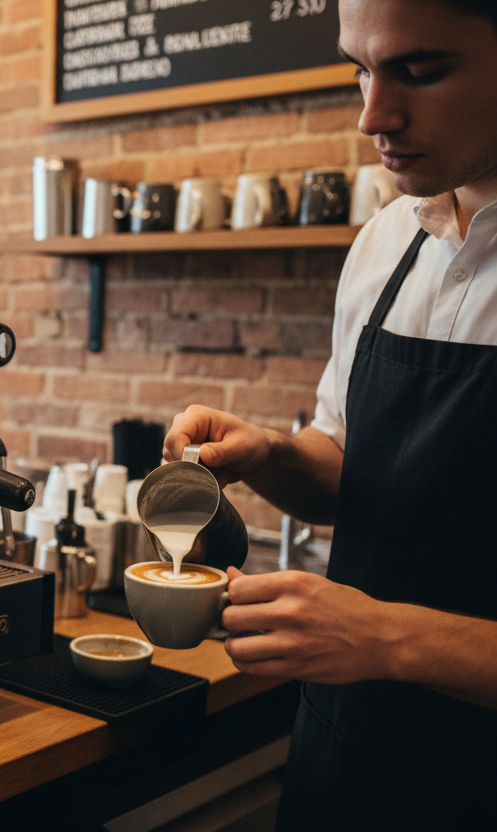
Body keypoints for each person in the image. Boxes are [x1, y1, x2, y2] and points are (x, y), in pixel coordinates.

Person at [162, 0, 497, 828]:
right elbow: (346, 471)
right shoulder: (387, 241)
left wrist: (385, 638)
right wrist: (272, 454)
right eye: (360, 69)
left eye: (421, 70)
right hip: (344, 758)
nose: (372, 116)